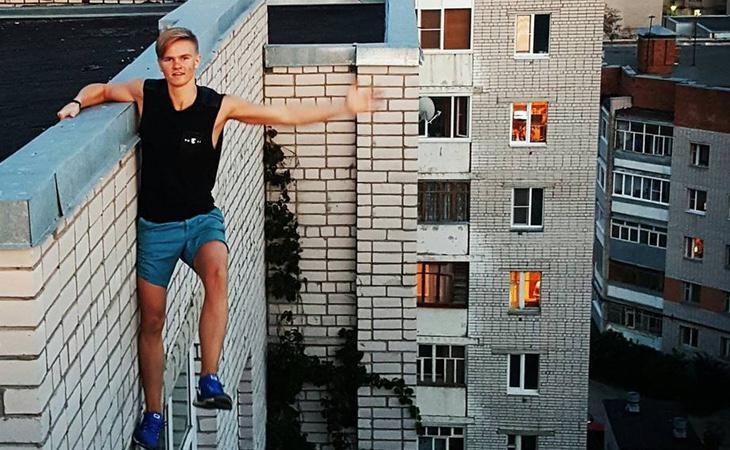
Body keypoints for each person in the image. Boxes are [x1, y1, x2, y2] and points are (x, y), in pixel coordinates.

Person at [57, 27, 373, 450]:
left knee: (218, 274)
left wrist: (342, 107)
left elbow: (282, 115)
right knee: (152, 321)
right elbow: (100, 90)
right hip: (158, 229)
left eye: (185, 58)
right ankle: (153, 415)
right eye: (170, 59)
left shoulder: (217, 107)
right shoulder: (145, 94)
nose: (178, 65)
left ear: (196, 61)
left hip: (202, 221)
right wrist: (77, 103)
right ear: (161, 62)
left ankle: (209, 376)